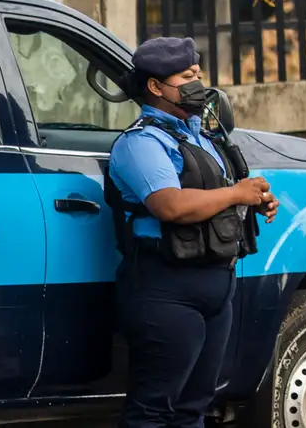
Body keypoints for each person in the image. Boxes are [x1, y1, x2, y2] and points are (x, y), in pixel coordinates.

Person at [104, 36, 279, 428]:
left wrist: (254, 199)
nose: (197, 83)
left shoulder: (202, 135)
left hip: (216, 285)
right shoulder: (142, 143)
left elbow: (216, 196)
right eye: (186, 76)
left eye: (198, 73)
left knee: (194, 409)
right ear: (155, 87)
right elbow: (171, 205)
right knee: (153, 410)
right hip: (165, 289)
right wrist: (236, 192)